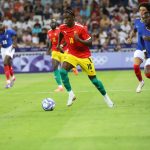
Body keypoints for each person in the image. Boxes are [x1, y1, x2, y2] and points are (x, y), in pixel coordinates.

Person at [57, 9, 114, 107]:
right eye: (64, 18)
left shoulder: (81, 28)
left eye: (68, 18)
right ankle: (70, 94)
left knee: (94, 80)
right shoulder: (62, 27)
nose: (65, 20)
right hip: (72, 55)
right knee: (62, 71)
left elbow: (90, 42)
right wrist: (59, 44)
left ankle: (107, 98)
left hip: (84, 56)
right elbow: (61, 34)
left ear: (73, 18)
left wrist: (79, 39)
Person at [47, 19, 78, 92]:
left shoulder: (60, 30)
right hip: (54, 51)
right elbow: (51, 41)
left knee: (64, 68)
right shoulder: (49, 32)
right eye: (51, 23)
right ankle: (60, 86)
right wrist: (48, 49)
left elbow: (67, 39)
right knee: (54, 67)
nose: (52, 24)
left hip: (63, 51)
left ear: (56, 23)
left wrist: (61, 45)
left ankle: (73, 67)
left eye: (53, 23)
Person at [127, 3, 150, 93]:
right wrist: (130, 37)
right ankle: (141, 82)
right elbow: (134, 30)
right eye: (140, 10)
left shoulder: (148, 22)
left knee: (148, 73)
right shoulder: (137, 21)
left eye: (143, 10)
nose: (141, 12)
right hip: (141, 48)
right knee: (136, 66)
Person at [0, 23, 17, 88]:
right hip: (3, 50)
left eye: (1, 30)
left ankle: (8, 82)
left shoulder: (9, 31)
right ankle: (13, 77)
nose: (0, 32)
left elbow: (15, 35)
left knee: (5, 63)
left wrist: (14, 43)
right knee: (8, 64)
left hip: (10, 48)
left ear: (4, 28)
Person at [138, 11, 150, 79]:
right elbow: (141, 42)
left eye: (147, 17)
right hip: (149, 56)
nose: (145, 19)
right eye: (144, 18)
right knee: (147, 73)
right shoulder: (142, 29)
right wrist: (144, 52)